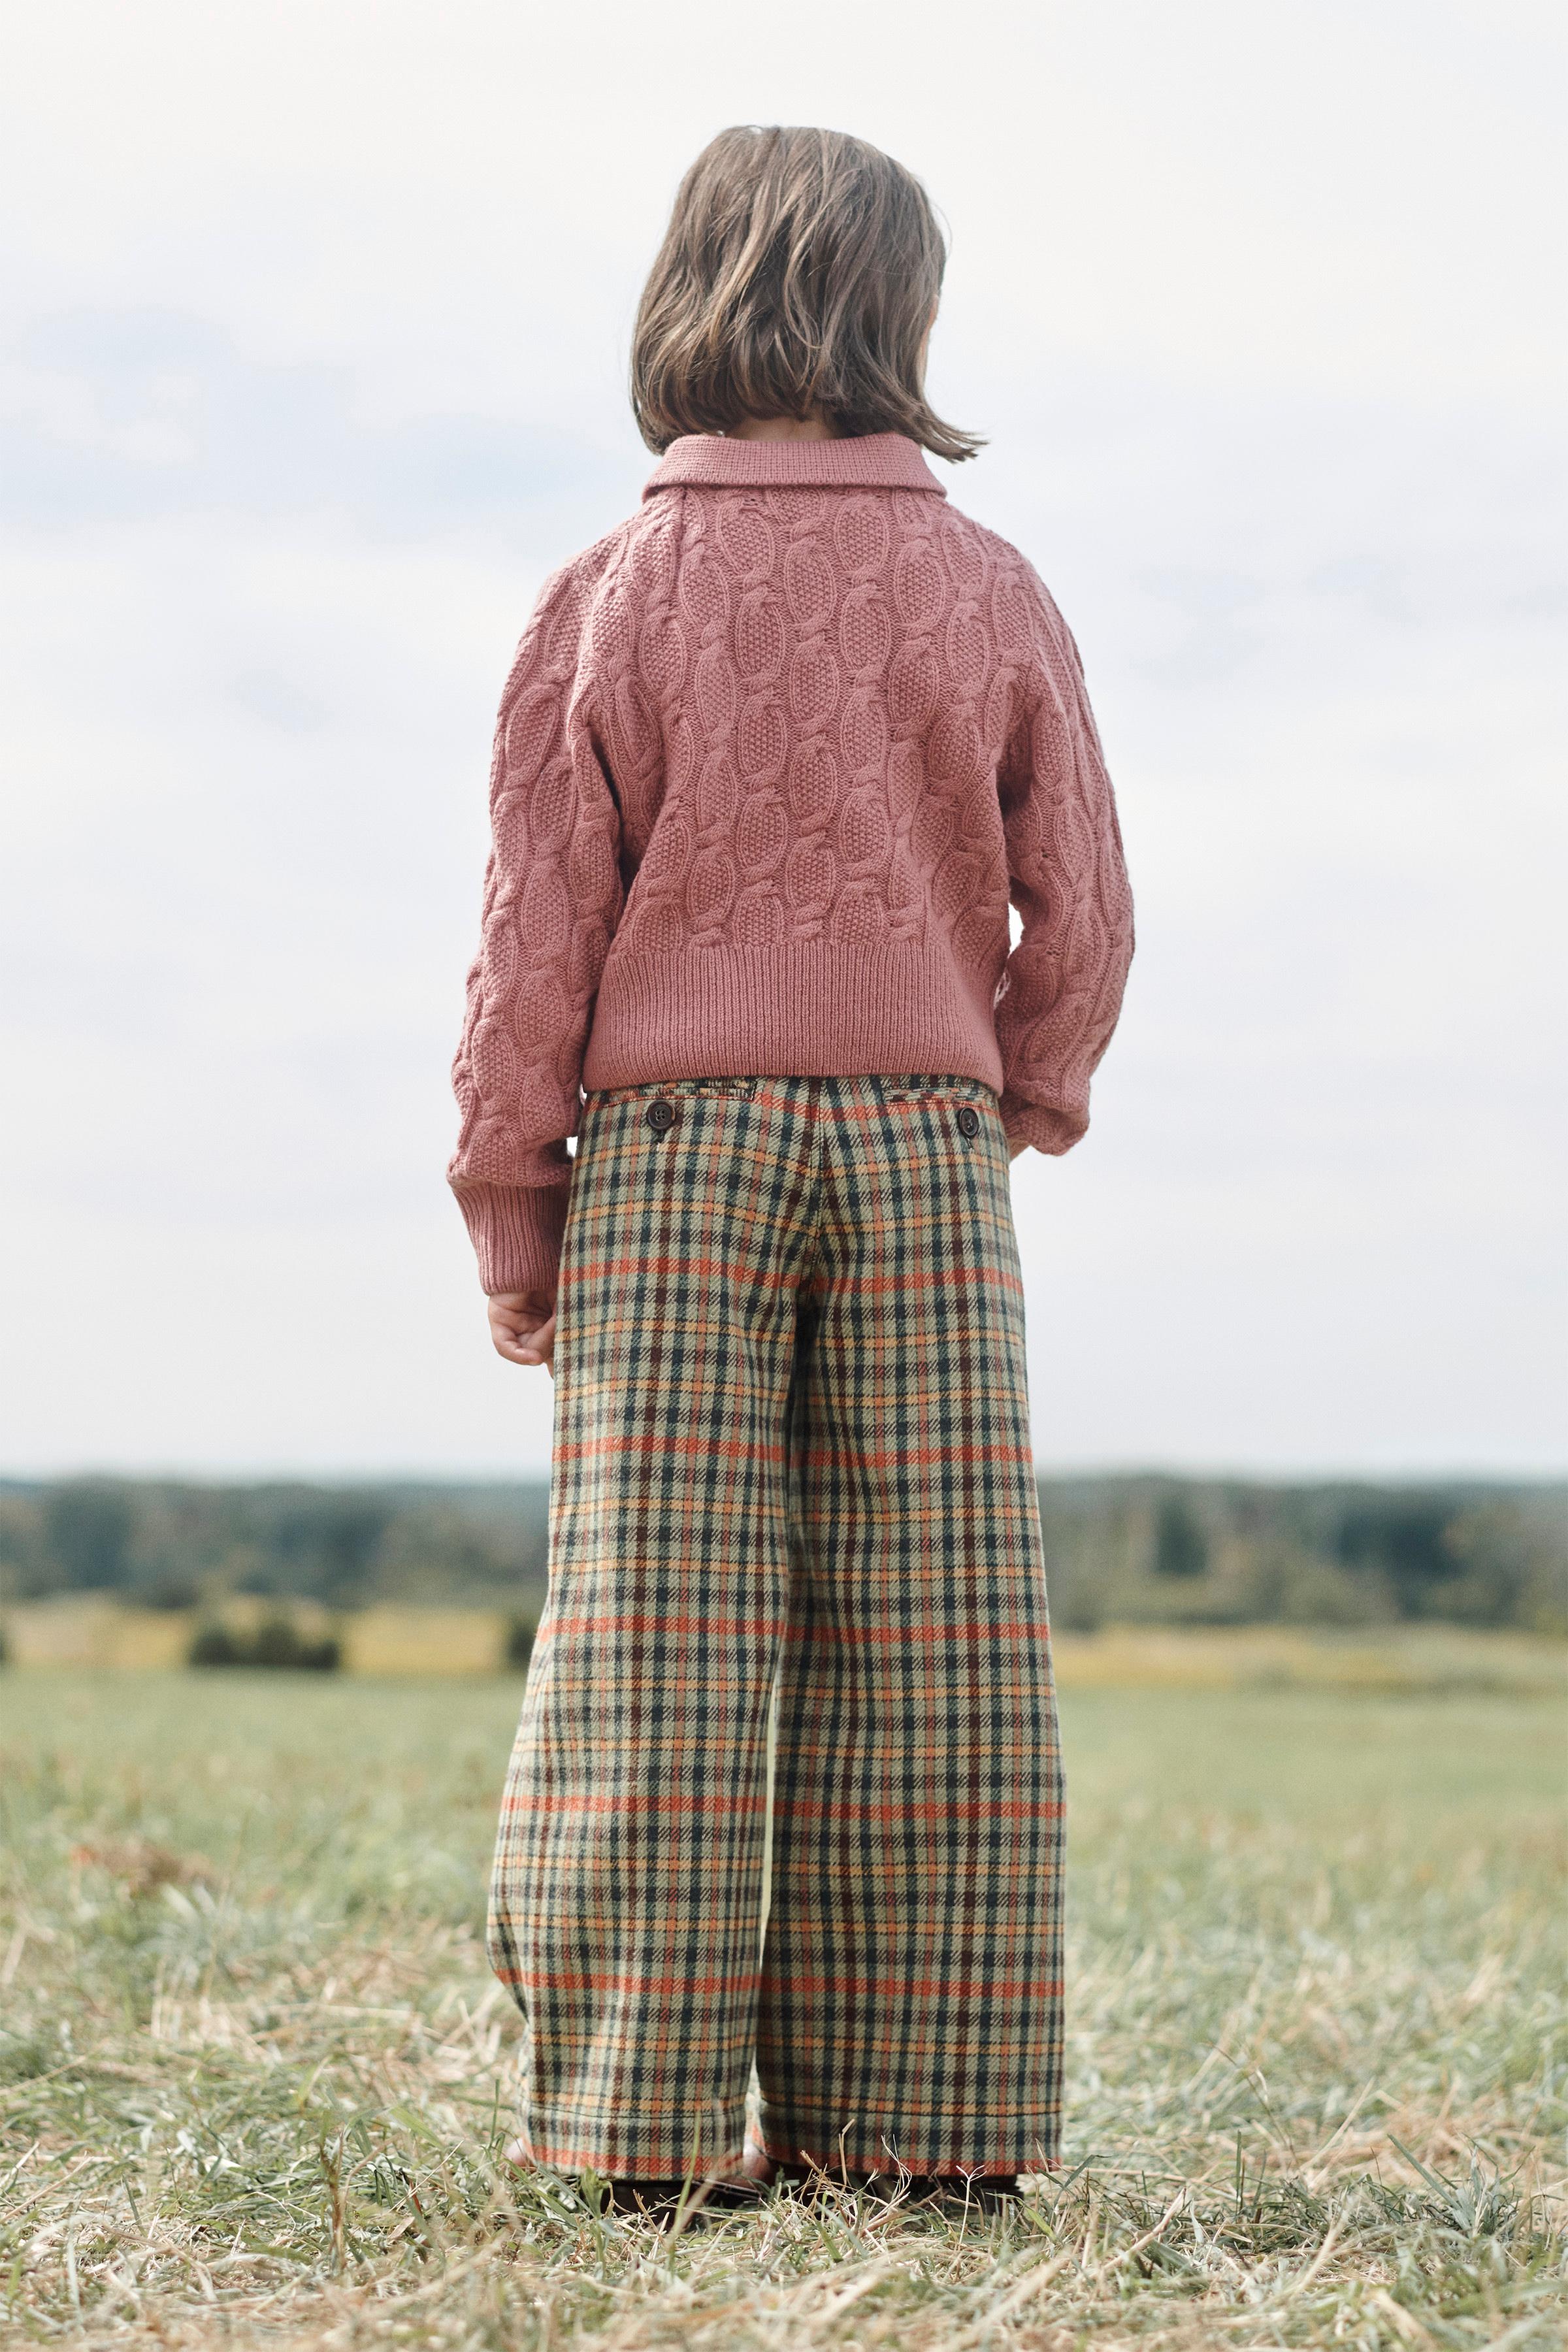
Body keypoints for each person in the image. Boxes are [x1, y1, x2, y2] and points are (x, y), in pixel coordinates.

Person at [448, 123, 1134, 2216]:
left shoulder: (607, 591)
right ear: (900, 319)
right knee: (932, 1645)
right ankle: (921, 2145)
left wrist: (512, 1210)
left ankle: (635, 2137)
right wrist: (1018, 1092)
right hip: (925, 1153)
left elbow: (532, 940)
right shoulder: (993, 586)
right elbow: (1083, 904)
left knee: (652, 1638)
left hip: (664, 1161)